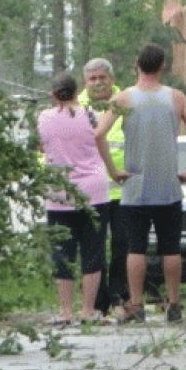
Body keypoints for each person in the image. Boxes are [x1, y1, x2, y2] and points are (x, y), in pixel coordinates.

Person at [95, 43, 186, 323]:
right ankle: (174, 303)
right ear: (163, 66)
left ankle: (136, 303)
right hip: (168, 184)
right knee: (171, 247)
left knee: (136, 248)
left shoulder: (123, 99)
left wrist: (113, 170)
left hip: (135, 185)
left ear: (137, 64)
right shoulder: (177, 98)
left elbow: (99, 134)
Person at [38, 73, 111, 327]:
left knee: (62, 252)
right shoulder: (91, 114)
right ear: (76, 91)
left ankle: (66, 310)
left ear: (54, 93)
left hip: (59, 192)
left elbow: (40, 146)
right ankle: (88, 310)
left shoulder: (44, 117)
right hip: (93, 190)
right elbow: (99, 141)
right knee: (93, 249)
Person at [78, 58, 129, 316]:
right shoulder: (76, 106)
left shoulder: (126, 101)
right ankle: (96, 302)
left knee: (123, 244)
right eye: (92, 79)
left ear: (112, 78)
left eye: (102, 78)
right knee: (93, 247)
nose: (98, 83)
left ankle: (119, 295)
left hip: (122, 188)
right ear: (85, 81)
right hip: (91, 191)